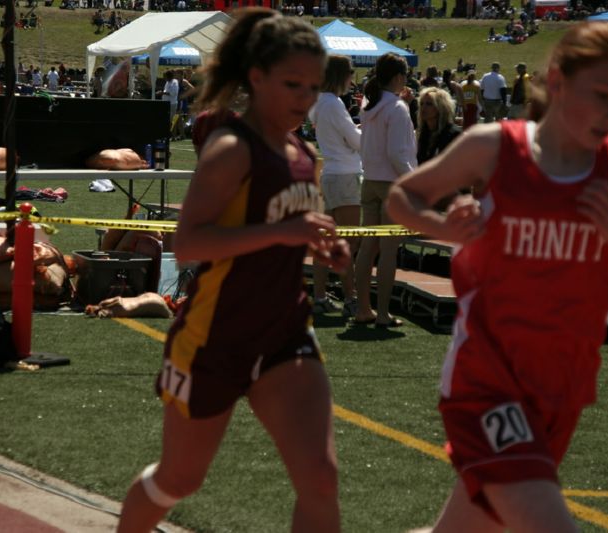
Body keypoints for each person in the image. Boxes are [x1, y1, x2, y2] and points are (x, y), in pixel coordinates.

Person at [386, 21, 608, 532]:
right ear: (559, 81)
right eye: (603, 94)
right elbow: (401, 197)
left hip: (564, 382)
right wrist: (445, 228)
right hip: (487, 377)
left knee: (477, 526)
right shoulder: (494, 148)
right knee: (546, 522)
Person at [116, 8, 348, 533]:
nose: (303, 99)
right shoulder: (230, 149)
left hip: (285, 334)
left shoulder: (302, 154)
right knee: (179, 481)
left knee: (321, 478)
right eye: (292, 84)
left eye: (313, 87)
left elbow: (289, 233)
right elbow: (189, 242)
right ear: (256, 77)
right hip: (213, 341)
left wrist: (321, 249)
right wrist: (283, 233)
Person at [354, 52, 416, 327]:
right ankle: (382, 313)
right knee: (388, 251)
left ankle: (363, 309)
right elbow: (396, 154)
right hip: (392, 183)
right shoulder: (397, 108)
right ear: (400, 77)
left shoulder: (370, 105)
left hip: (369, 181)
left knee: (368, 248)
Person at [308, 54, 361, 317]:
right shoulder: (334, 103)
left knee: (327, 241)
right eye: (350, 74)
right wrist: (366, 129)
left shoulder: (320, 102)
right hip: (344, 174)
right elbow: (356, 142)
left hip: (330, 173)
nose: (353, 80)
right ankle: (351, 298)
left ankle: (319, 295)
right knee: (347, 243)